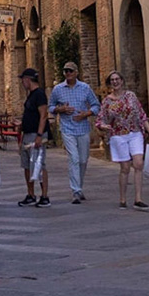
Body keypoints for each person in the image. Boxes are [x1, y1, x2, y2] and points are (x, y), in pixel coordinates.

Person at [97, 71, 149, 210]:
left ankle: (138, 199)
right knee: (125, 167)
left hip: (135, 132)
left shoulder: (131, 96)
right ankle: (122, 199)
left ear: (122, 81)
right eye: (112, 80)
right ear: (110, 83)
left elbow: (142, 115)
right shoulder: (107, 101)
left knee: (138, 163)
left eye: (117, 79)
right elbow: (100, 120)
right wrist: (104, 126)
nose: (115, 82)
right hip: (118, 135)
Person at [49, 62, 100, 203]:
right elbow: (51, 106)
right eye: (65, 71)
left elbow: (96, 105)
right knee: (74, 158)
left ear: (76, 72)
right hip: (67, 128)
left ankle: (79, 187)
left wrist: (86, 114)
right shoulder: (58, 89)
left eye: (70, 71)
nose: (68, 73)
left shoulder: (85, 88)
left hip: (83, 128)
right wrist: (60, 109)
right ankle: (75, 191)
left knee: (83, 160)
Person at [17, 67, 51, 207]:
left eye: (23, 80)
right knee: (27, 165)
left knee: (39, 164)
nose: (22, 83)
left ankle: (44, 196)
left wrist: (39, 135)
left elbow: (43, 115)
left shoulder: (39, 94)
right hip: (27, 134)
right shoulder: (30, 95)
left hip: (36, 135)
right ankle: (30, 194)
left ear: (28, 79)